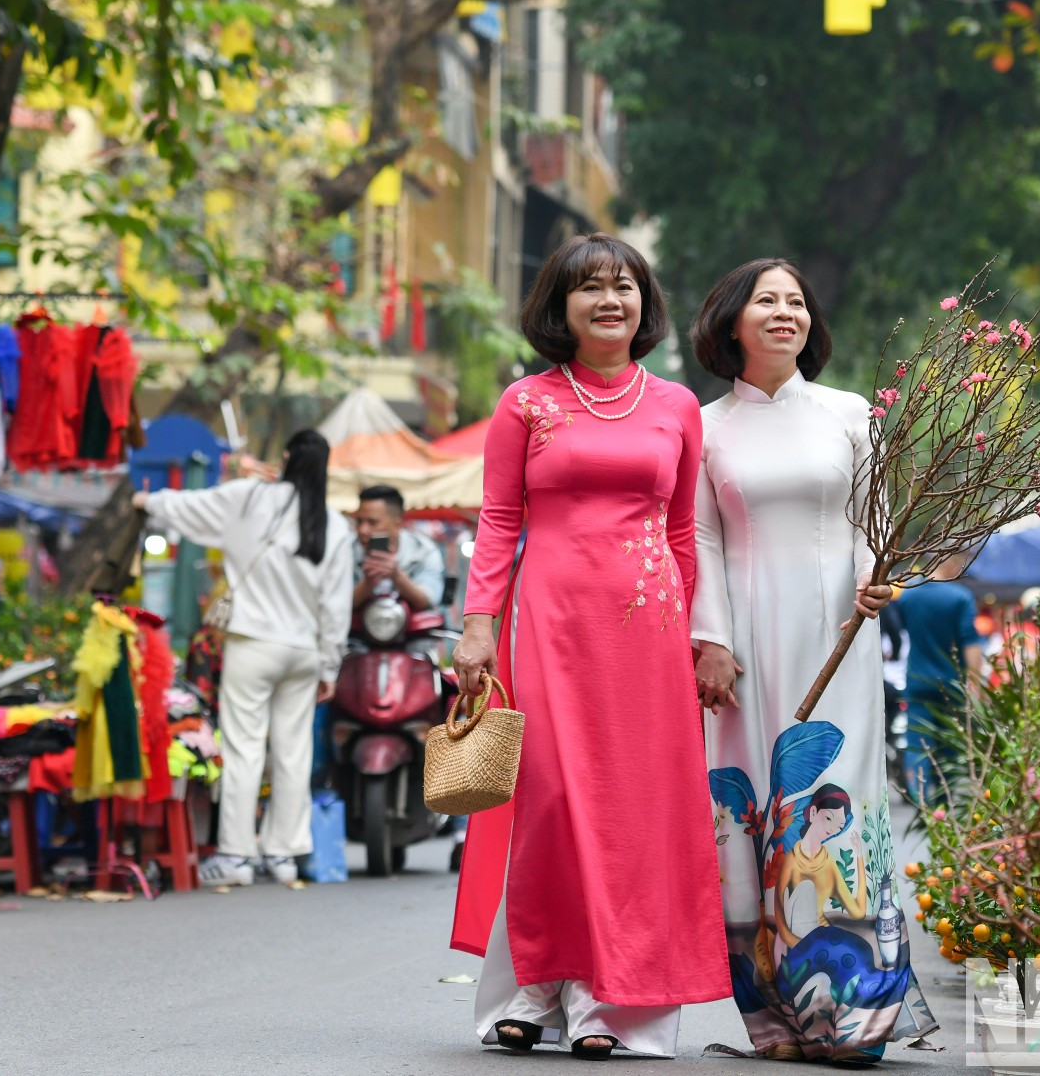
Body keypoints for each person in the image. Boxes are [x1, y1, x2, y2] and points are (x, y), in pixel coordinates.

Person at [451, 232, 729, 1059]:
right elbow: (500, 518)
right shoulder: (525, 402)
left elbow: (683, 529)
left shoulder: (676, 404)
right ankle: (536, 985)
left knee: (629, 811)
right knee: (549, 801)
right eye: (591, 288)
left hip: (645, 629)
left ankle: (607, 998)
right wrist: (477, 621)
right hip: (546, 623)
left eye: (625, 286)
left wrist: (692, 637)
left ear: (645, 304)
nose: (610, 300)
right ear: (559, 307)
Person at [689, 258, 936, 1063]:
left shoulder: (850, 413)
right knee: (748, 806)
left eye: (796, 302)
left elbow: (876, 519)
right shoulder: (705, 426)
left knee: (838, 793)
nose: (785, 313)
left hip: (839, 635)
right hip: (747, 647)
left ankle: (854, 1014)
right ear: (733, 321)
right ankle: (773, 1017)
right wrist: (712, 641)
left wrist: (874, 581)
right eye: (768, 301)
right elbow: (701, 538)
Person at [133, 431, 353, 888]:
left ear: (286, 458)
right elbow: (337, 605)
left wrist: (146, 501)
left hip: (253, 644)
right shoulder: (333, 524)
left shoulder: (251, 499)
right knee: (294, 752)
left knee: (243, 747)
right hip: (304, 650)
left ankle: (236, 853)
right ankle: (285, 854)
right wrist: (330, 665)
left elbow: (189, 507)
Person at [888, 554, 984, 806]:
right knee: (949, 743)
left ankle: (920, 797)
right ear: (950, 563)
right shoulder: (960, 598)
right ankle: (944, 799)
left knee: (918, 741)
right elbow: (970, 644)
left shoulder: (908, 597)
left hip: (917, 681)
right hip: (951, 684)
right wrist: (976, 685)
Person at [351, 484, 446, 617]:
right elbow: (337, 604)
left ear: (397, 525)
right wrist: (368, 583)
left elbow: (429, 600)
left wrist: (396, 575)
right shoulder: (346, 550)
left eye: (372, 522)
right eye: (359, 521)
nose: (362, 530)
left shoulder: (424, 551)